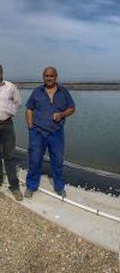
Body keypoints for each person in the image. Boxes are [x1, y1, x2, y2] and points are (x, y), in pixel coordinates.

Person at [24, 66, 75, 198]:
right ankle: (31, 186)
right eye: (46, 76)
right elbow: (29, 109)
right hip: (37, 133)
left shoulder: (63, 92)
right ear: (43, 77)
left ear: (56, 77)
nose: (49, 78)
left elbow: (72, 108)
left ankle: (59, 187)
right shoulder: (37, 91)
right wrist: (30, 127)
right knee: (34, 160)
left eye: (51, 76)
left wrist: (62, 114)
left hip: (56, 133)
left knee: (57, 161)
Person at [0, 64, 23, 201]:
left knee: (9, 156)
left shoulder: (10, 87)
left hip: (7, 125)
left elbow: (18, 103)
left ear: (2, 72)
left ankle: (14, 186)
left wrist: (9, 113)